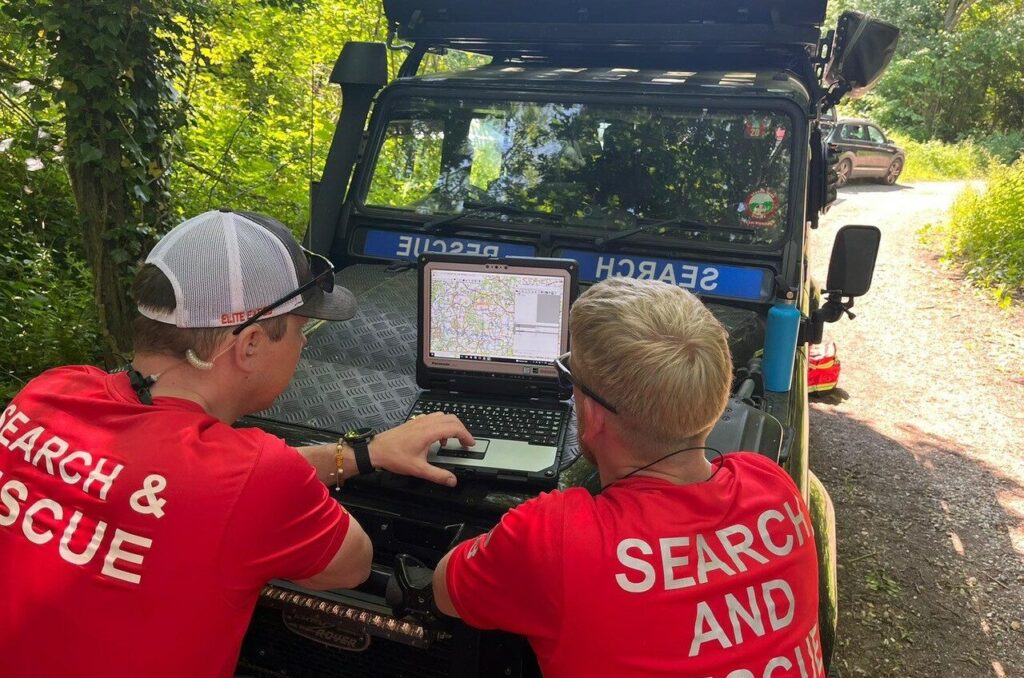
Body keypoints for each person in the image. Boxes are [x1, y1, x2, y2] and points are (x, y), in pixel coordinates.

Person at [0, 209, 473, 677]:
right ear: (248, 344)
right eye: (300, 328)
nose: (304, 345)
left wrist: (361, 455)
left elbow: (187, 480)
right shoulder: (257, 477)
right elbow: (352, 565)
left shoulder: (48, 393)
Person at [433, 277, 825, 678]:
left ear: (594, 417)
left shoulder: (552, 536)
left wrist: (510, 545)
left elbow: (446, 590)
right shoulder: (773, 485)